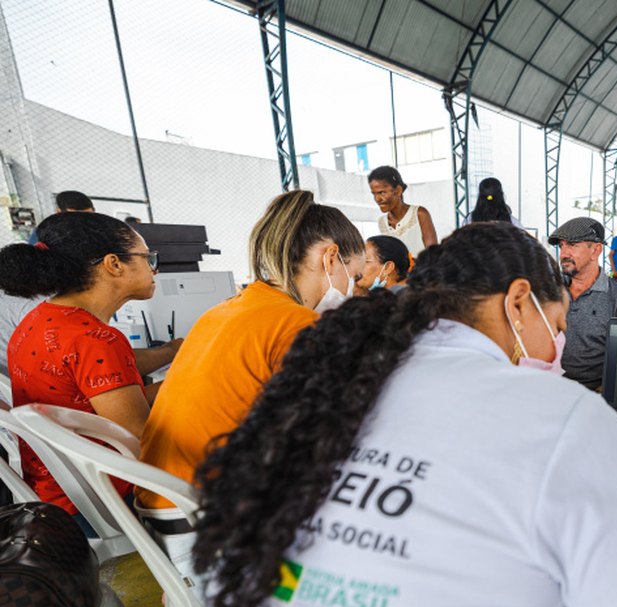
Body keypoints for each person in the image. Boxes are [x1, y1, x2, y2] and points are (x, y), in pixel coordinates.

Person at [192, 223, 617, 607]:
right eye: (556, 325)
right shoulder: (560, 420)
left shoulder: (315, 390)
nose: (556, 349)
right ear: (518, 302)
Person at [137, 190, 365, 513]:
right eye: (354, 276)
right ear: (330, 258)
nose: (352, 290)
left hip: (163, 500)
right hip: (209, 514)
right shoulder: (296, 323)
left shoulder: (226, 309)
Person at [0, 212, 159, 517]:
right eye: (147, 258)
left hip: (61, 489)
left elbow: (102, 397)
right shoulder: (95, 338)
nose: (154, 269)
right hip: (103, 498)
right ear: (114, 264)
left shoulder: (40, 320)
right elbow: (141, 437)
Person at [548, 217, 617, 390]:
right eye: (561, 246)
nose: (564, 254)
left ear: (596, 250)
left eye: (572, 245)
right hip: (548, 387)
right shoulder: (550, 290)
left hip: (592, 394)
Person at [370, 165, 437, 254]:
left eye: (381, 192)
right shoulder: (382, 222)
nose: (377, 199)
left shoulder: (419, 214)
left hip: (422, 268)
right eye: (374, 194)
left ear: (398, 190)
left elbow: (433, 254)